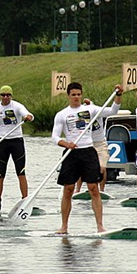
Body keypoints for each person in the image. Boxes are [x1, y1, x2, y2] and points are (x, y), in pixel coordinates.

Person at [51, 82, 123, 234]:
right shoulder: (62, 114)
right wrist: (65, 143)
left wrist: (118, 95)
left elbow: (113, 111)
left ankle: (100, 226)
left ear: (81, 95)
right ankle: (64, 227)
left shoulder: (90, 110)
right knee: (68, 189)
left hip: (88, 152)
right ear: (68, 96)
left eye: (78, 94)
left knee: (93, 189)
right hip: (71, 153)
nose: (76, 97)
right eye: (73, 95)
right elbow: (55, 136)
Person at [0, 85, 34, 212]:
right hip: (2, 143)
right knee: (0, 174)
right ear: (0, 96)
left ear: (11, 96)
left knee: (21, 172)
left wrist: (29, 117)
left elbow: (28, 114)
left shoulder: (17, 106)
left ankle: (25, 201)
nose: (5, 97)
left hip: (17, 142)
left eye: (8, 95)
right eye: (3, 95)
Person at [75, 93, 123, 193]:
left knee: (102, 167)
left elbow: (113, 110)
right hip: (86, 144)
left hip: (100, 143)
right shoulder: (80, 115)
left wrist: (118, 95)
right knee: (80, 167)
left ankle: (101, 190)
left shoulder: (97, 111)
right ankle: (77, 190)